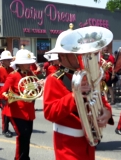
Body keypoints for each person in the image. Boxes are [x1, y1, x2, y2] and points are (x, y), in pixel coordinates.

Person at [43, 26, 113, 160]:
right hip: (67, 145)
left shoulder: (87, 76)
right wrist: (74, 96)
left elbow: (99, 99)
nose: (82, 56)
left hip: (89, 143)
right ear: (63, 55)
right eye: (76, 52)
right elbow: (49, 113)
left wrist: (107, 111)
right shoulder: (54, 79)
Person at [0, 47, 42, 160]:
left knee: (28, 135)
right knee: (22, 135)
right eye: (27, 63)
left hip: (29, 110)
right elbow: (2, 92)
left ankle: (25, 157)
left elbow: (35, 90)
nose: (29, 65)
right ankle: (19, 158)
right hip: (16, 110)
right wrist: (11, 97)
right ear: (20, 64)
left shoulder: (30, 73)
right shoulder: (13, 75)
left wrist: (38, 86)